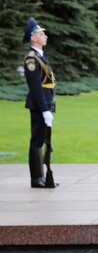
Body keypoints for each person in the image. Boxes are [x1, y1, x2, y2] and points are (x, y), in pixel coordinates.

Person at [22, 17, 57, 189]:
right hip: (39, 106)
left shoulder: (41, 56)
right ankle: (36, 179)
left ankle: (42, 177)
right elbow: (35, 88)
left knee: (42, 141)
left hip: (45, 104)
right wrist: (44, 110)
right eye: (41, 33)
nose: (45, 36)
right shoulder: (31, 59)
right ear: (33, 37)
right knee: (36, 141)